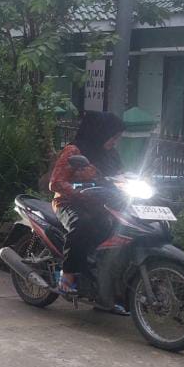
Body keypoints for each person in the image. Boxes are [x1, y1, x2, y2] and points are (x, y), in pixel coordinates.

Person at [49, 111, 124, 296]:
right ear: (100, 133)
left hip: (101, 204)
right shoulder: (74, 151)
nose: (115, 142)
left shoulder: (112, 155)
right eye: (113, 137)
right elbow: (56, 182)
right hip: (69, 203)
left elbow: (121, 176)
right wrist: (80, 194)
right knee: (82, 224)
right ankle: (67, 279)